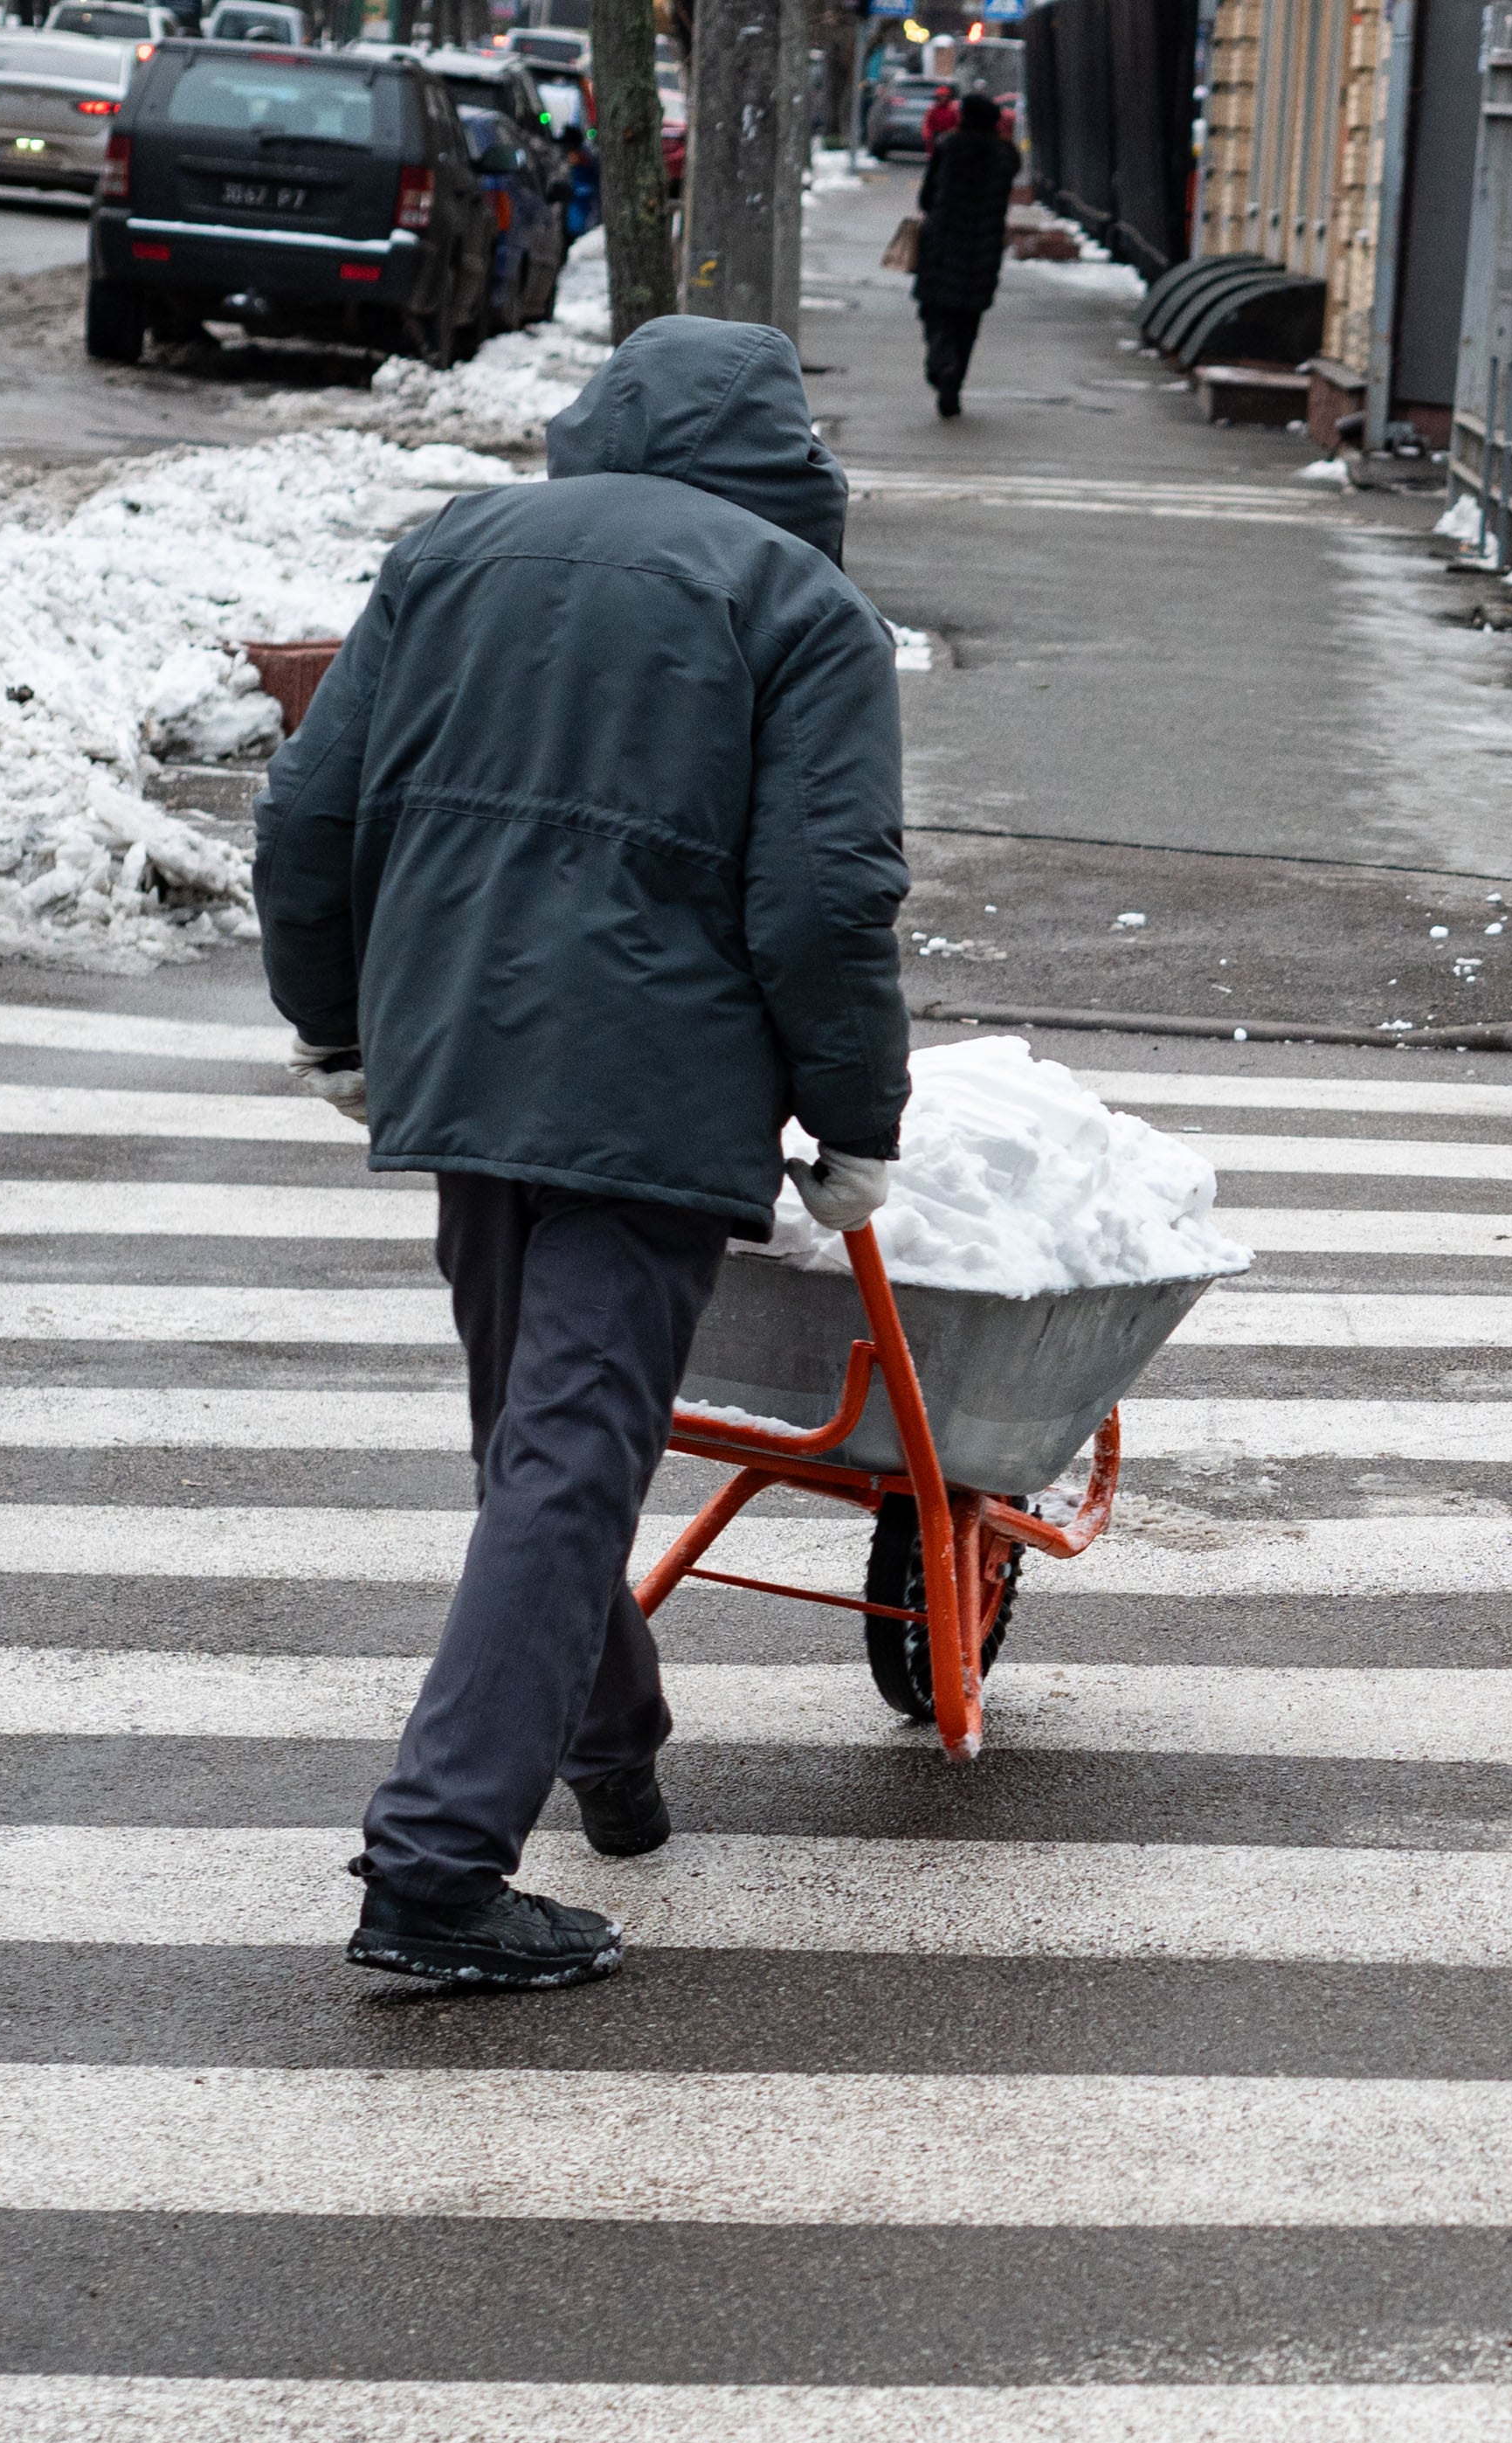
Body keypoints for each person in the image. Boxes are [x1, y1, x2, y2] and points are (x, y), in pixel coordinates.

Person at [255, 319, 911, 1991]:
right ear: (784, 454)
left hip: (463, 1051)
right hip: (655, 1086)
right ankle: (434, 1868)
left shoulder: (452, 551)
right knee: (565, 1453)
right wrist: (855, 1121)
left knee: (534, 1440)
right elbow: (827, 896)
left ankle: (606, 1746)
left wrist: (334, 1021)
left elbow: (307, 809)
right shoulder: (798, 604)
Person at [914, 91, 1020, 419]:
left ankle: (940, 363)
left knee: (935, 311)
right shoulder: (1005, 157)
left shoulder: (948, 147)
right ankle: (954, 380)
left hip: (942, 245)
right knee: (968, 321)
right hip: (982, 251)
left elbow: (927, 198)